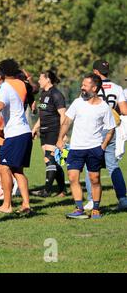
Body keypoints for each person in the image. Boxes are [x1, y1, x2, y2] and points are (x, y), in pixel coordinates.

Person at [57, 74, 115, 219]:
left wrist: (103, 146)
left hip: (94, 148)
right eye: (82, 84)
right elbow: (66, 122)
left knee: (94, 179)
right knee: (72, 177)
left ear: (94, 88)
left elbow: (111, 128)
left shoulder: (104, 107)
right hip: (76, 148)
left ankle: (96, 209)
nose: (82, 87)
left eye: (85, 85)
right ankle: (79, 208)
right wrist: (60, 138)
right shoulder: (77, 102)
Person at [0, 66, 33, 216]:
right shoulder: (7, 88)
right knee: (17, 170)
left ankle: (6, 205)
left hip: (16, 135)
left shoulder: (4, 89)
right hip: (22, 133)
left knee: (4, 167)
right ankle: (26, 204)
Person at [82, 60, 127, 211]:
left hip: (94, 130)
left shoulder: (91, 87)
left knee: (90, 166)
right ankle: (123, 199)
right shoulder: (117, 88)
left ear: (95, 72)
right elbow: (124, 111)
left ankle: (90, 200)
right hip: (111, 130)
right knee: (113, 165)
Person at [31, 70, 67, 197]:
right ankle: (62, 190)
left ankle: (46, 190)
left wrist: (63, 134)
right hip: (44, 131)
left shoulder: (56, 94)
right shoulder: (43, 94)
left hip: (54, 130)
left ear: (47, 79)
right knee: (54, 162)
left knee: (49, 158)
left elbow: (63, 115)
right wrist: (35, 128)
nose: (39, 81)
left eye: (41, 78)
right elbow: (43, 115)